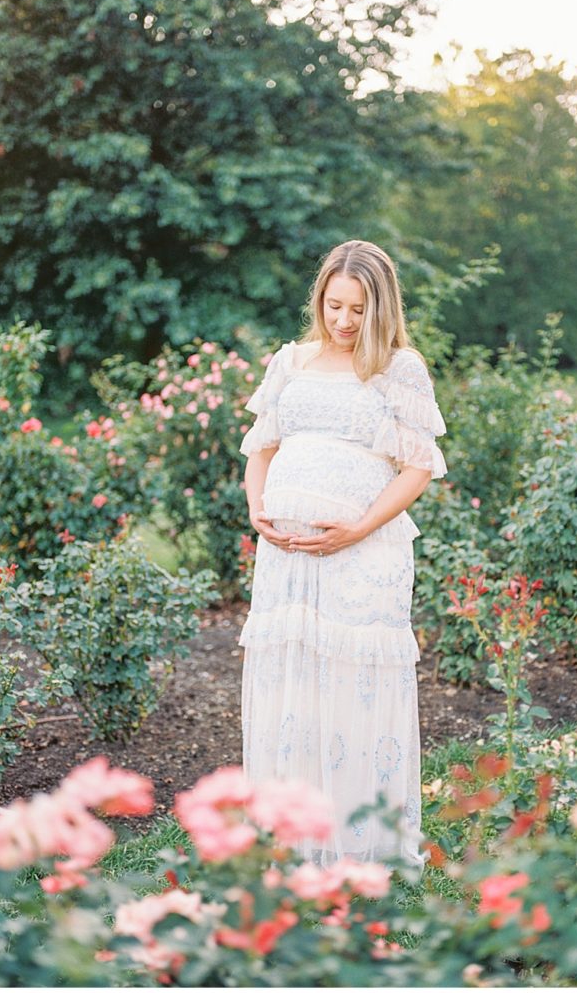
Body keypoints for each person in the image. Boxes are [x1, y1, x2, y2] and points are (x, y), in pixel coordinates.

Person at [237, 239, 447, 874]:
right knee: (293, 682)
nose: (344, 321)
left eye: (358, 310)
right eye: (334, 306)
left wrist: (356, 528)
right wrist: (257, 508)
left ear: (380, 309)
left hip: (363, 556)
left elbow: (418, 469)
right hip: (287, 559)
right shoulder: (291, 362)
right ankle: (289, 837)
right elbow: (261, 447)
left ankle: (362, 842)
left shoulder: (399, 368)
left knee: (351, 687)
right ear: (319, 301)